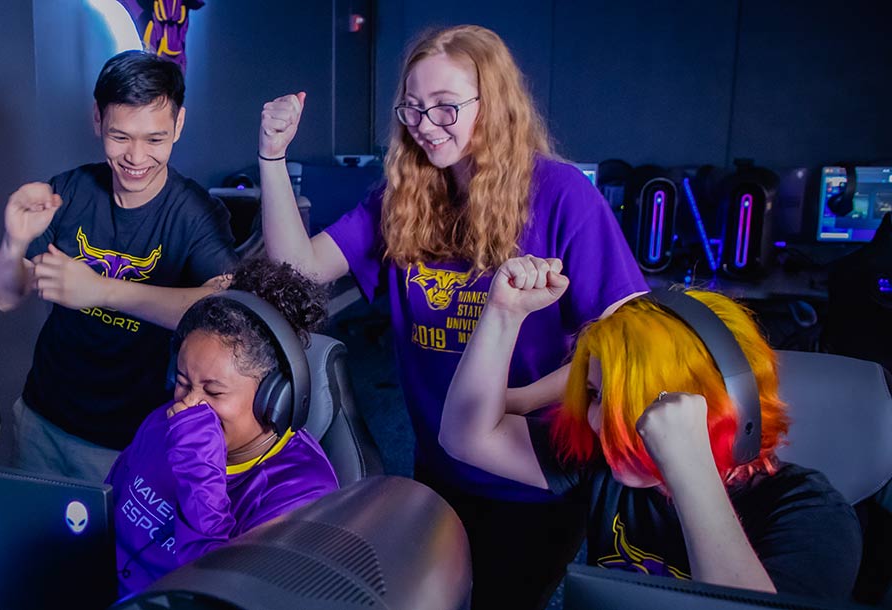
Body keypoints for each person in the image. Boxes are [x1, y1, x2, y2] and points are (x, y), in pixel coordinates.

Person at [256, 25, 646, 607]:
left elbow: (628, 351)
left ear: (495, 105)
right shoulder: (404, 196)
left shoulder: (564, 196)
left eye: (445, 107)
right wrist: (272, 155)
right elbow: (298, 268)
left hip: (529, 469)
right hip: (440, 464)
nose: (424, 124)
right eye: (412, 108)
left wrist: (506, 403)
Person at [440, 254, 862, 599]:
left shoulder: (814, 515)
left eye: (635, 402)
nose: (601, 421)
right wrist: (502, 315)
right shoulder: (606, 461)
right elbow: (463, 436)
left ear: (718, 406)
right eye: (598, 396)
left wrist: (688, 471)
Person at [0, 50, 236, 482]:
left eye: (155, 139)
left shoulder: (195, 212)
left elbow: (226, 305)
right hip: (43, 419)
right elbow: (6, 296)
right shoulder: (70, 190)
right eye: (120, 137)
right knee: (31, 547)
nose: (136, 158)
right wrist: (14, 243)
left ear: (178, 125)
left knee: (111, 551)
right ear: (97, 120)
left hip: (133, 435)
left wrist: (101, 290)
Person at [106, 258, 339, 596]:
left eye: (214, 391)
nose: (187, 405)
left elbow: (219, 596)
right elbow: (107, 510)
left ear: (275, 399)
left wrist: (199, 473)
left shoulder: (302, 494)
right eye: (183, 382)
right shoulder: (162, 422)